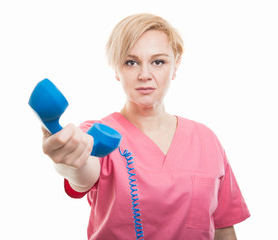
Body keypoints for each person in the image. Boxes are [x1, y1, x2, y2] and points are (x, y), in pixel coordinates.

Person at [41, 13, 250, 240]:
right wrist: (70, 160)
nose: (145, 75)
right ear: (116, 69)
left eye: (158, 62)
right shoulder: (97, 133)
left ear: (176, 64)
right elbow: (81, 173)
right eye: (131, 62)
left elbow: (223, 229)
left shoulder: (206, 140)